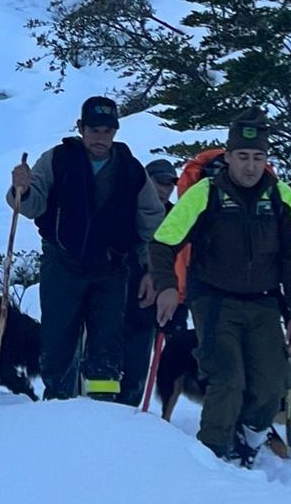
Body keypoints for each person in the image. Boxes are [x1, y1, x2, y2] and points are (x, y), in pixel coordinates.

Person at [150, 108, 291, 468]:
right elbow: (163, 242)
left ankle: (250, 438)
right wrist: (165, 286)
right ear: (228, 156)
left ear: (267, 159)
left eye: (258, 157)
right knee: (227, 378)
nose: (251, 166)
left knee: (273, 383)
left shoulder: (281, 197)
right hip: (214, 301)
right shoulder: (205, 193)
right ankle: (211, 458)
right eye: (243, 157)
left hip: (265, 304)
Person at [8, 96, 165, 401]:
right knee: (57, 346)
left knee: (106, 348)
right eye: (94, 129)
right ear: (81, 128)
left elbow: (152, 224)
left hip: (111, 271)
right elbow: (31, 204)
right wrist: (22, 189)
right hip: (61, 267)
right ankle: (58, 406)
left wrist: (150, 269)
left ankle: (101, 414)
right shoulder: (56, 159)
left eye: (107, 130)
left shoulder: (131, 170)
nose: (100, 137)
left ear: (116, 131)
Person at [116, 158, 179, 406]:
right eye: (159, 183)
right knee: (104, 364)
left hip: (151, 308)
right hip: (115, 298)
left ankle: (128, 416)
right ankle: (98, 411)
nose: (164, 190)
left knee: (137, 366)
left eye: (170, 185)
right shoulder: (126, 210)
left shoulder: (177, 217)